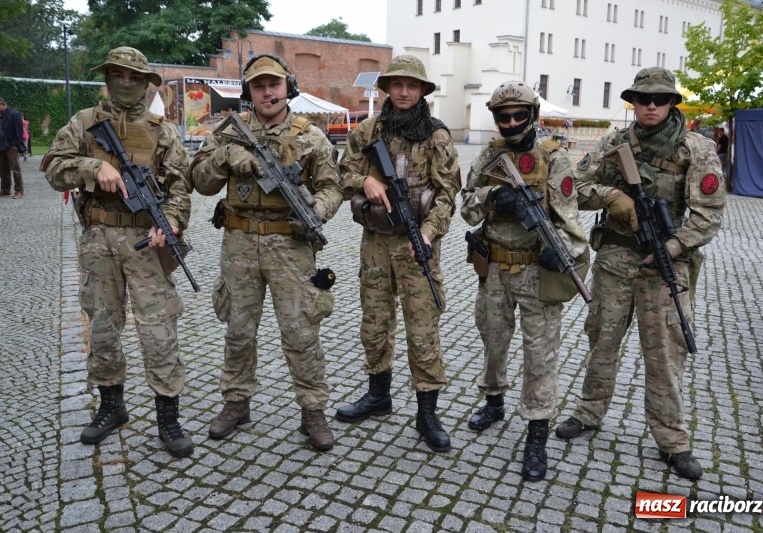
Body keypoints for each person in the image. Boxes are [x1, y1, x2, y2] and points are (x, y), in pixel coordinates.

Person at [554, 67, 725, 480]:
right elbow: (571, 185)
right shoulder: (614, 142)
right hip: (615, 260)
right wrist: (611, 195)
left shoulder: (695, 148)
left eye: (661, 99)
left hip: (665, 268)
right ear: (632, 102)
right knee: (602, 340)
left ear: (671, 103)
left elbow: (709, 214)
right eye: (643, 99)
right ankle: (589, 413)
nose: (651, 106)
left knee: (666, 354)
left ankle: (673, 441)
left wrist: (671, 247)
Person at [41, 47, 194, 458]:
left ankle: (168, 416)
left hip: (146, 243)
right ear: (106, 78)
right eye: (117, 75)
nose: (125, 82)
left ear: (147, 83)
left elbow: (181, 187)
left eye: (134, 76)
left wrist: (173, 223)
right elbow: (54, 168)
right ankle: (112, 407)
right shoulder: (84, 123)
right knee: (104, 326)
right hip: (98, 239)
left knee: (159, 329)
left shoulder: (164, 131)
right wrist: (94, 169)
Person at [190, 54, 342, 451]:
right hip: (239, 244)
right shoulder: (228, 134)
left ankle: (313, 410)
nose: (267, 92)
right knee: (239, 330)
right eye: (258, 86)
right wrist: (227, 157)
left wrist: (315, 211)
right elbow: (199, 181)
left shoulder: (311, 136)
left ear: (287, 87)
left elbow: (333, 187)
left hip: (291, 246)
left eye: (273, 85)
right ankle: (236, 402)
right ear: (248, 93)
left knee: (300, 331)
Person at [460, 81, 588, 481]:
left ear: (533, 115)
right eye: (504, 116)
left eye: (519, 115)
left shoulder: (555, 159)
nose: (512, 122)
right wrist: (492, 199)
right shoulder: (490, 155)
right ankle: (494, 401)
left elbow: (570, 222)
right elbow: (466, 207)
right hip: (495, 268)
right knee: (493, 339)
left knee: (540, 356)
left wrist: (560, 250)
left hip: (537, 272)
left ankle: (536, 433)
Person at [336, 55, 461, 453]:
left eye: (412, 85)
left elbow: (447, 194)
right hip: (375, 242)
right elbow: (341, 174)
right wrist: (365, 180)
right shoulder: (369, 129)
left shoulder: (436, 135)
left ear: (423, 90)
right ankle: (378, 395)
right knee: (375, 323)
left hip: (417, 243)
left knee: (423, 330)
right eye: (397, 84)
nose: (404, 92)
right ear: (386, 88)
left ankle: (427, 414)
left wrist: (426, 232)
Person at [0, 97, 25, 198]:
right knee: (2, 170)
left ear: (1, 104)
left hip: (11, 146)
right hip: (0, 147)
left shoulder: (14, 114)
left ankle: (19, 190)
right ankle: (5, 190)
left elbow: (19, 132)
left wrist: (14, 144)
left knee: (15, 169)